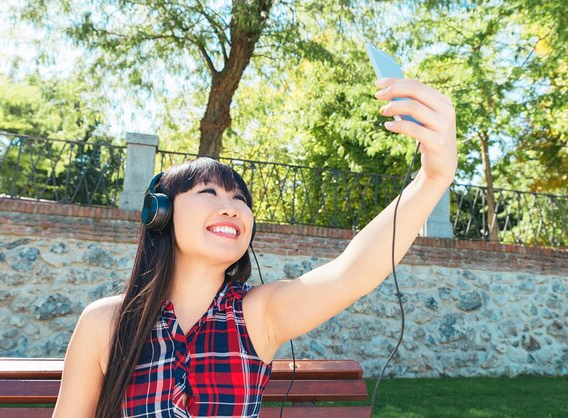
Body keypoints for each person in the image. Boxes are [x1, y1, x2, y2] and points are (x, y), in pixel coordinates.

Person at [52, 77, 457, 418]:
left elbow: (350, 273)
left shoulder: (258, 313)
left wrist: (433, 178)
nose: (231, 208)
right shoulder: (105, 323)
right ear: (159, 214)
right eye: (208, 192)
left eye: (240, 200)